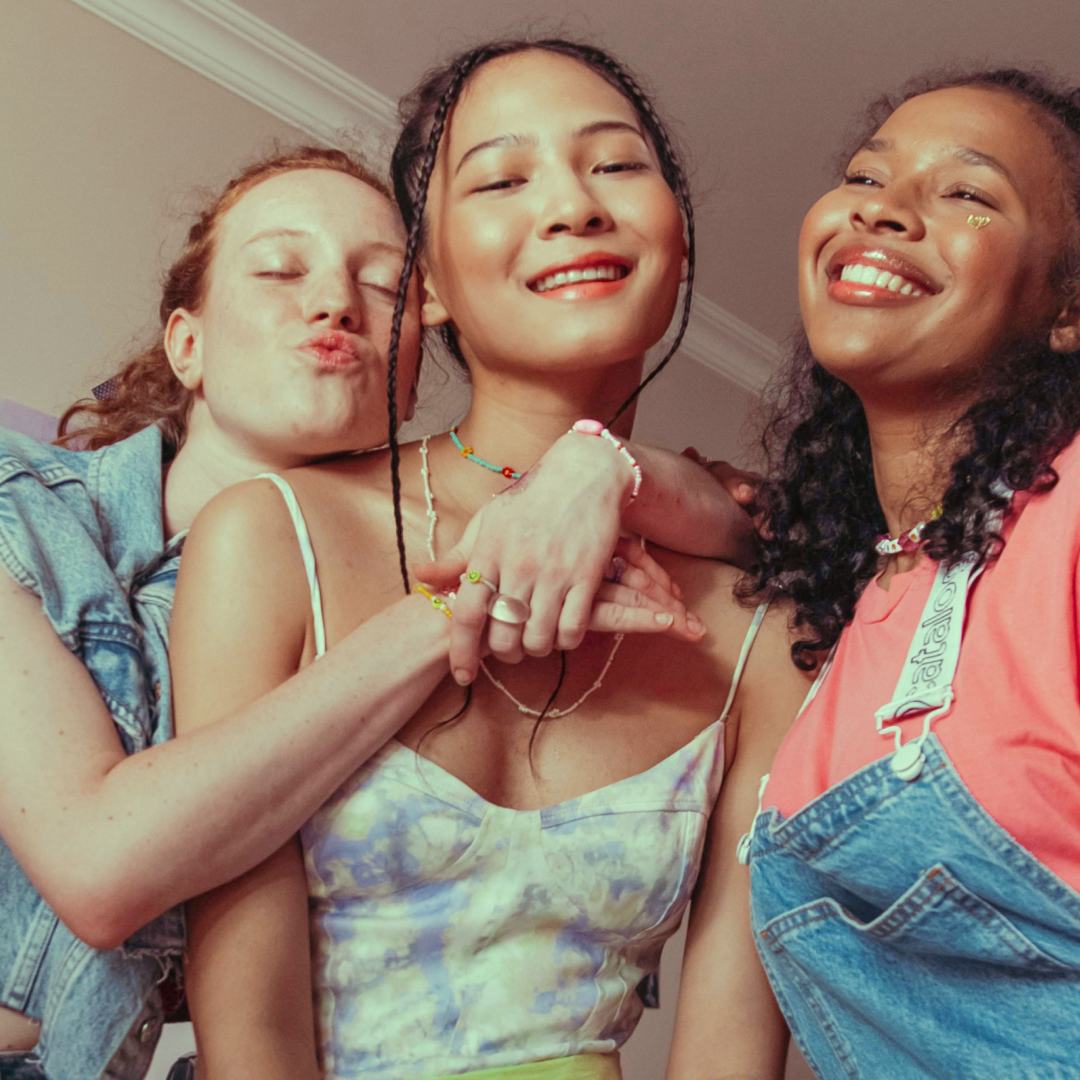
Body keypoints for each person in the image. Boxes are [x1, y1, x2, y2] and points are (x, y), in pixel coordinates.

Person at [0, 146, 749, 1080]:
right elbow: (99, 869)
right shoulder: (19, 507)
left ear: (414, 360)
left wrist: (632, 479)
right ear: (184, 344)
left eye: (388, 285)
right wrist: (461, 599)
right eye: (280, 269)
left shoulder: (330, 597)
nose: (335, 302)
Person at [177, 39, 813, 1080]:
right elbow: (248, 1025)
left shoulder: (761, 628)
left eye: (615, 166)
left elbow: (732, 1047)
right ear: (423, 288)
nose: (573, 206)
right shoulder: (274, 531)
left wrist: (599, 467)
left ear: (680, 242)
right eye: (503, 178)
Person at [740, 69, 1080, 1078]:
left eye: (966, 193)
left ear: (1068, 307)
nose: (882, 209)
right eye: (866, 175)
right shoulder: (850, 620)